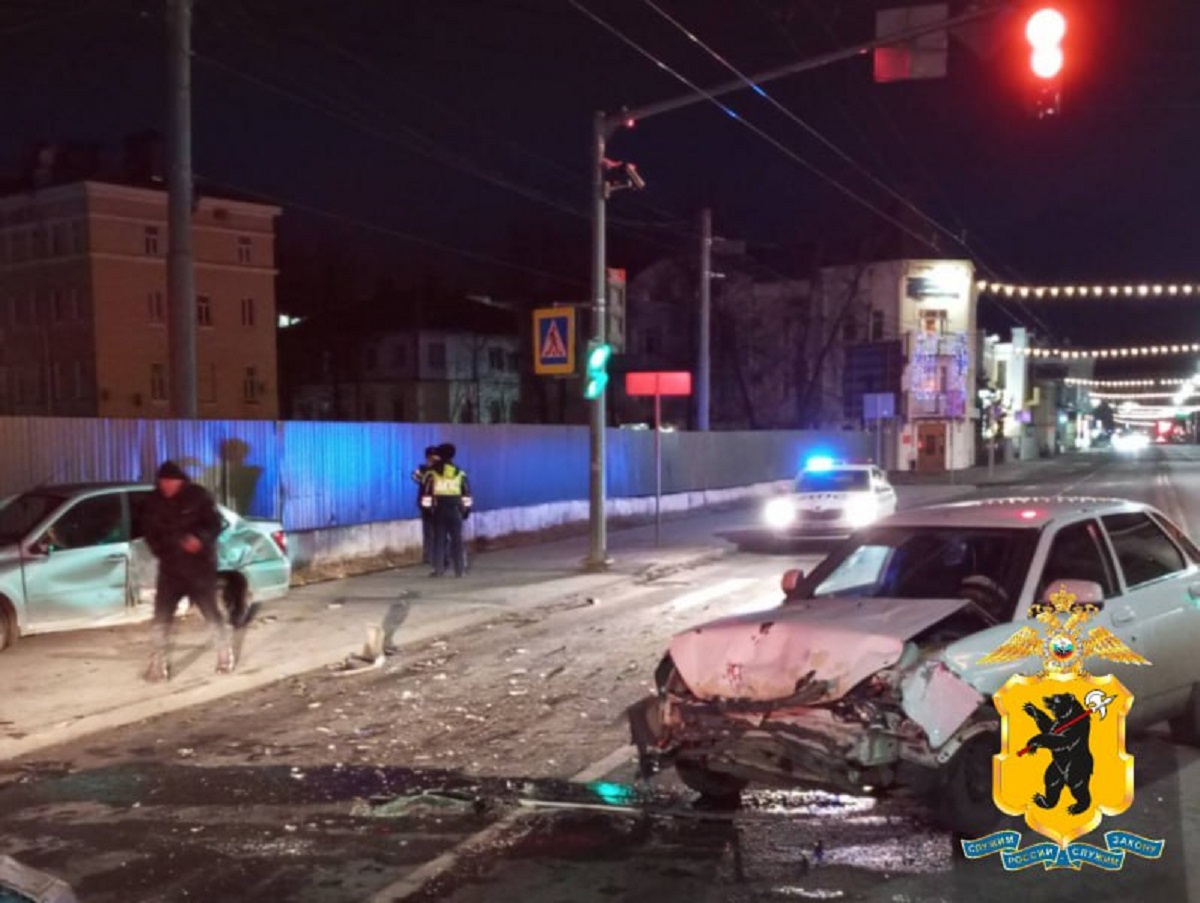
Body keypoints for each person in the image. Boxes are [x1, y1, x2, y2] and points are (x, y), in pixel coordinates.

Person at [141, 460, 233, 681]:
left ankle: (224, 652)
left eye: (171, 482)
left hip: (199, 569)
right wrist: (162, 551)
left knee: (210, 613)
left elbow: (215, 523)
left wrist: (199, 539)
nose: (166, 486)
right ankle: (158, 663)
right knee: (161, 617)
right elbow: (149, 532)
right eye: (163, 482)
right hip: (170, 570)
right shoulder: (153, 502)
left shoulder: (197, 496)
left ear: (180, 481)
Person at [421, 442, 472, 578]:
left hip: (439, 510)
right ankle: (460, 571)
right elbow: (466, 493)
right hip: (455, 509)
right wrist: (466, 510)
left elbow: (426, 494)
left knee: (439, 540)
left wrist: (428, 511)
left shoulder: (432, 473)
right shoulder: (459, 473)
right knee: (457, 540)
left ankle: (438, 570)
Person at [411, 446, 440, 564]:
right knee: (428, 530)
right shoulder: (422, 469)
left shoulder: (441, 469)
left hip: (439, 503)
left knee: (439, 530)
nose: (432, 459)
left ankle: (440, 553)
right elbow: (414, 476)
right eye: (430, 457)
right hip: (426, 503)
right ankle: (428, 554)